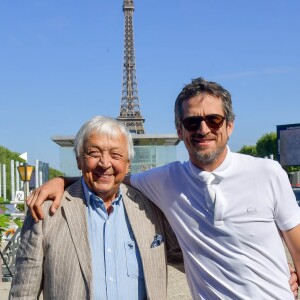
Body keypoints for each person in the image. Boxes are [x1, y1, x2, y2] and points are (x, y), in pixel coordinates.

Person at [27, 77, 300, 299]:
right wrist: (63, 181)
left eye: (213, 120)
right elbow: (108, 176)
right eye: (192, 122)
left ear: (229, 125)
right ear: (180, 131)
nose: (203, 129)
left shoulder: (267, 172)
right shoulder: (165, 180)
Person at [9, 116, 184, 300]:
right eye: (93, 153)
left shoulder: (152, 207)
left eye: (116, 155)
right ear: (79, 161)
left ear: (128, 163)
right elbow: (24, 292)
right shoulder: (46, 211)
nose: (104, 163)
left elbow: (194, 259)